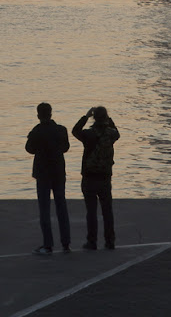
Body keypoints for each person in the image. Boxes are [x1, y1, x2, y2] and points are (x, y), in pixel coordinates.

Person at [25, 102, 71, 255]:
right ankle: (66, 243)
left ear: (38, 115)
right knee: (61, 207)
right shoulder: (61, 130)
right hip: (58, 171)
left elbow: (29, 149)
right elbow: (65, 148)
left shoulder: (36, 131)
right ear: (51, 113)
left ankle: (48, 244)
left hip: (43, 173)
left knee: (44, 209)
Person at [72, 106, 120, 250]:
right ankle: (110, 241)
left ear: (94, 118)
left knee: (91, 211)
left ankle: (92, 241)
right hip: (105, 177)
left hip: (89, 177)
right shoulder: (111, 134)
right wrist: (109, 120)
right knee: (107, 211)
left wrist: (85, 117)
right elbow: (117, 133)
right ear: (106, 118)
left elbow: (75, 131)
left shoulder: (89, 134)